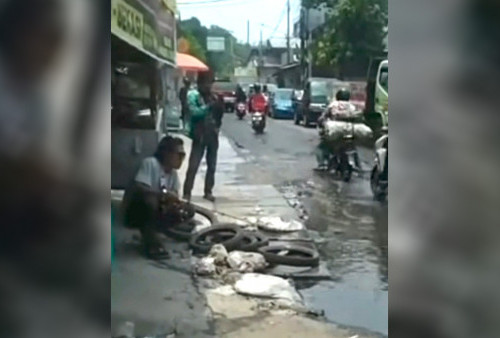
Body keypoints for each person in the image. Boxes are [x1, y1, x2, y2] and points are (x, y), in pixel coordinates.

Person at [122, 136, 186, 259]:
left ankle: (153, 234)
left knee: (184, 210)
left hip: (156, 209)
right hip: (136, 210)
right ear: (167, 153)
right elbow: (139, 188)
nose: (181, 159)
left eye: (183, 156)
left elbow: (175, 194)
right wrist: (163, 195)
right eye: (179, 154)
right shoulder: (150, 163)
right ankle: (152, 244)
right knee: (151, 201)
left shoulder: (173, 174)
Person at [183, 71, 224, 202]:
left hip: (212, 134)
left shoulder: (213, 97)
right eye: (206, 83)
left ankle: (208, 191)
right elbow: (195, 112)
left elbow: (219, 114)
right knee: (193, 165)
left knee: (212, 165)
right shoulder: (193, 96)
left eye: (210, 83)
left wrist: (217, 125)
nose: (208, 86)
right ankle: (187, 192)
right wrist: (208, 107)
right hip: (199, 135)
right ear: (200, 83)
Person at [315, 88, 352, 171]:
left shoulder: (333, 105)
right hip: (349, 133)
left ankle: (322, 164)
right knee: (352, 147)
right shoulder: (352, 106)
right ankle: (357, 165)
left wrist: (320, 122)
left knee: (320, 148)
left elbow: (323, 117)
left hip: (334, 132)